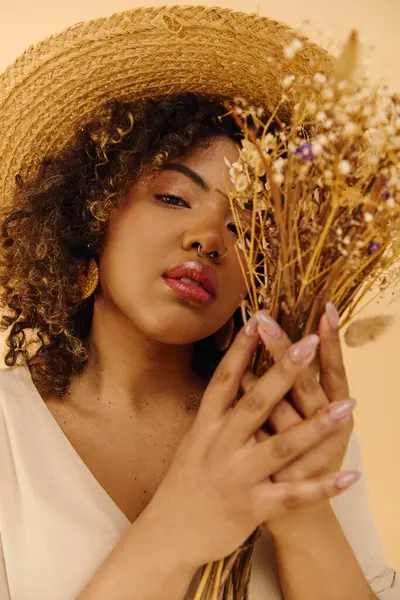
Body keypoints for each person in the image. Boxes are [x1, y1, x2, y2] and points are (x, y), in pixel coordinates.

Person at [0, 5, 398, 600]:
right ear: (91, 213)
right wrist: (175, 535)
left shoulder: (294, 431)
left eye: (246, 225)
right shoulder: (10, 427)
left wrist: (305, 516)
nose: (208, 238)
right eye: (175, 198)